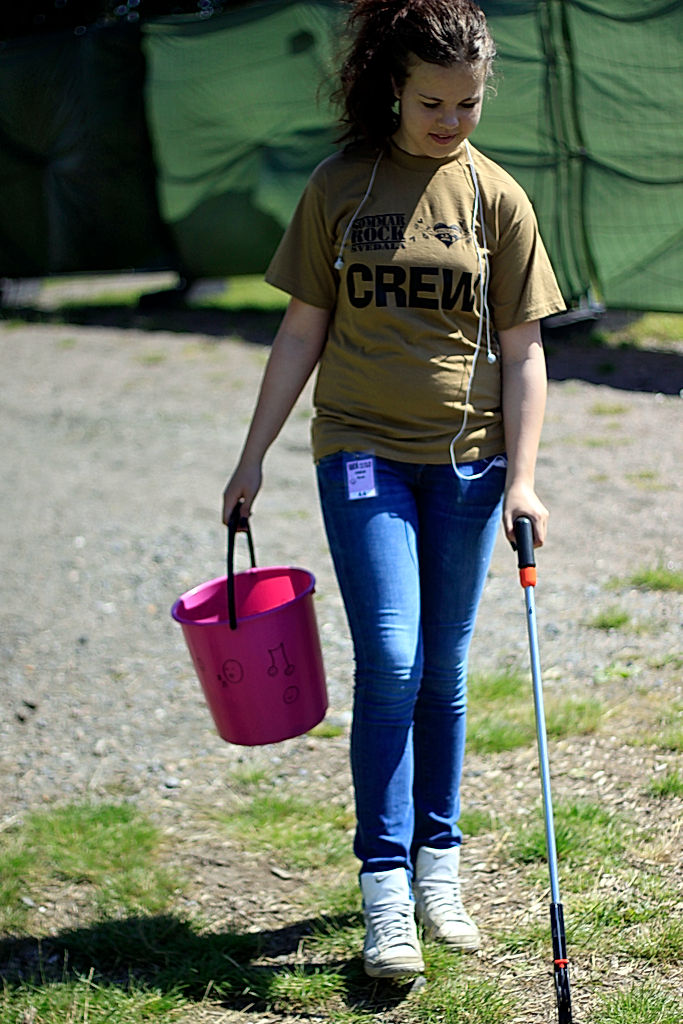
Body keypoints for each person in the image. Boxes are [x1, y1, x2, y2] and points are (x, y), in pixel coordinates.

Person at [222, 0, 565, 980]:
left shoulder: (496, 200)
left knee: (444, 667)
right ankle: (383, 890)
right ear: (391, 87)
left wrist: (525, 479)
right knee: (394, 650)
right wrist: (251, 457)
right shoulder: (340, 186)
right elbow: (299, 332)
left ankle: (437, 869)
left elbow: (522, 350)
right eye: (431, 102)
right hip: (361, 449)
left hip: (466, 463)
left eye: (465, 103)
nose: (450, 120)